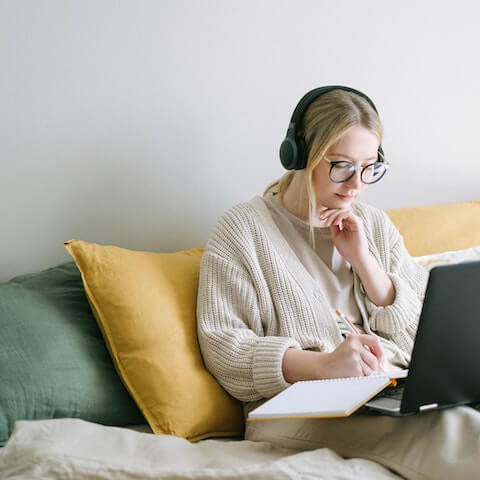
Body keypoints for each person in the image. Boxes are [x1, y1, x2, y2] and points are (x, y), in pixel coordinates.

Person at [196, 86, 480, 480]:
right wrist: (325, 365)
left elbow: (427, 338)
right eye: (342, 165)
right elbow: (225, 349)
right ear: (299, 155)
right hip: (295, 409)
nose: (356, 185)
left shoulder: (374, 225)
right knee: (460, 435)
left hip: (393, 390)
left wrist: (366, 264)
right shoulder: (242, 230)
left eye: (369, 168)